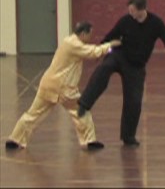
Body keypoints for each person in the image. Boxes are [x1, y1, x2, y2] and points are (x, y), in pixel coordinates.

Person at [77, 0, 165, 147]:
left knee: (134, 101)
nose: (130, 13)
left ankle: (128, 136)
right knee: (103, 69)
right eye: (129, 10)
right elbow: (110, 36)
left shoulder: (155, 23)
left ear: (142, 10)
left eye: (133, 10)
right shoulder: (125, 21)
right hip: (120, 56)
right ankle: (84, 104)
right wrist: (99, 50)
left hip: (136, 66)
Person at [5, 22, 121, 150]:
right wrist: (110, 45)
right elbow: (93, 52)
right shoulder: (75, 45)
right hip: (64, 88)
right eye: (89, 34)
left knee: (33, 114)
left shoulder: (67, 41)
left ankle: (15, 139)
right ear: (83, 33)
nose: (90, 38)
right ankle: (89, 140)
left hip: (47, 84)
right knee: (81, 111)